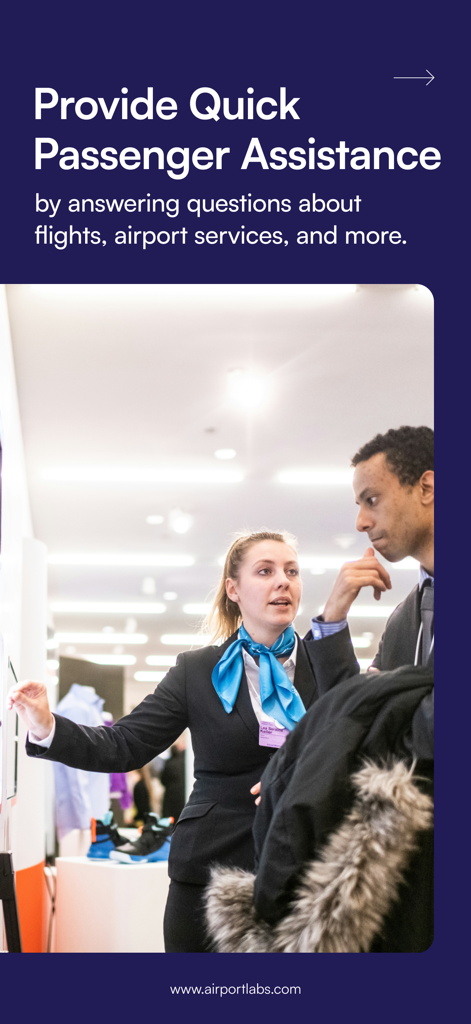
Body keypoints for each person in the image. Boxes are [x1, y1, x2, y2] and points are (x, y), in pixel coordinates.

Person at [8, 530, 337, 953]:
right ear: (233, 589)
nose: (282, 582)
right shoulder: (196, 671)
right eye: (265, 571)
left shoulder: (327, 666)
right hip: (210, 870)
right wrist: (46, 724)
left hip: (305, 870)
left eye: (292, 571)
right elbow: (124, 744)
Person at [306, 425, 434, 759]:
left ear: (427, 488)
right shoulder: (402, 621)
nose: (360, 522)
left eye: (372, 500)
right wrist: (333, 618)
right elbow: (346, 722)